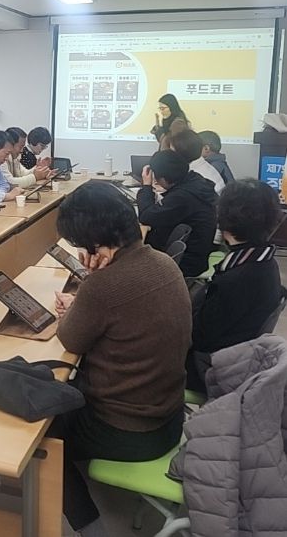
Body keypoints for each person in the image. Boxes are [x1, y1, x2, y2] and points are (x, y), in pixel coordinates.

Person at [50, 181, 191, 537]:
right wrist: (88, 297)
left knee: (41, 434)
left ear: (95, 243)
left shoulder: (103, 286)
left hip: (128, 431)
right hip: (170, 418)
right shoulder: (164, 263)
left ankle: (91, 528)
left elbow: (70, 338)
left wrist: (87, 290)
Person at [187, 179, 283, 391]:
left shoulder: (236, 279)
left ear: (223, 219)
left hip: (211, 368)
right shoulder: (264, 260)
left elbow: (199, 337)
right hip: (238, 357)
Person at [137, 150, 217, 277]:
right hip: (196, 255)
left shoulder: (182, 197)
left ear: (163, 178)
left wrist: (146, 186)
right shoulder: (195, 181)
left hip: (185, 263)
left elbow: (147, 217)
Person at [170, 129, 225, 194]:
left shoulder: (196, 175)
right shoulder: (203, 166)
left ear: (181, 153)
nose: (169, 155)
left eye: (172, 152)